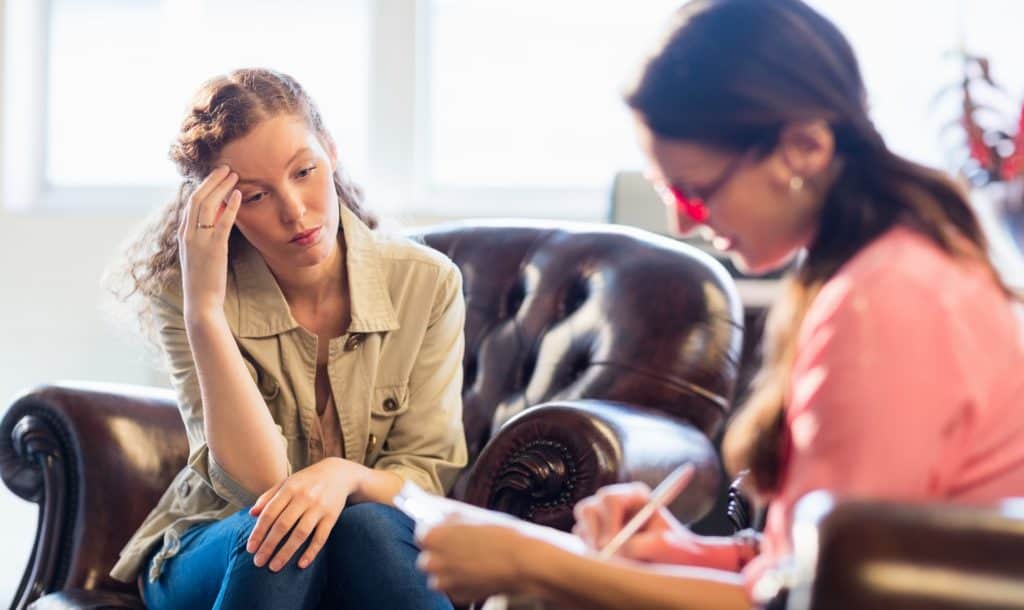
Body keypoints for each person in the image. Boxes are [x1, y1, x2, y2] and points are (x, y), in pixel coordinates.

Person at [416, 0, 1024, 608]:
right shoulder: (884, 267)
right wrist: (683, 552)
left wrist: (533, 561)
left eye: (697, 193)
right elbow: (806, 563)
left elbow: (816, 597)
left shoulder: (887, 304)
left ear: (805, 147)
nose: (682, 223)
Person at [108, 68, 466, 610]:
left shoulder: (428, 282)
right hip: (214, 540)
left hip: (364, 540)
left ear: (331, 150)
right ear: (215, 205)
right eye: (254, 197)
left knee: (366, 524)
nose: (295, 211)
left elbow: (425, 480)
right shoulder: (189, 296)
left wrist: (341, 476)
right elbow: (260, 484)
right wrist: (205, 310)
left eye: (305, 171)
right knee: (276, 536)